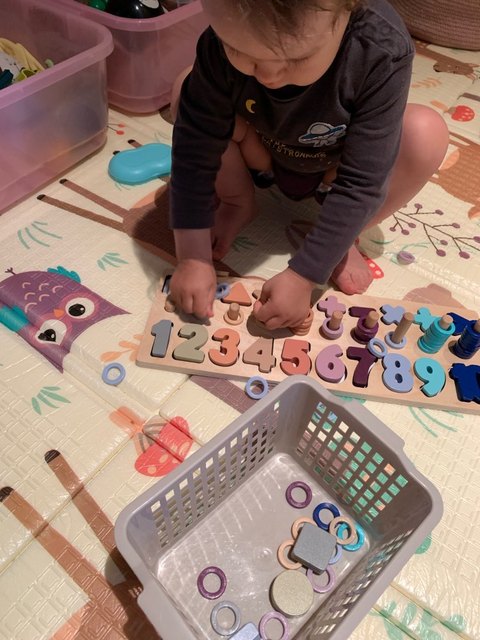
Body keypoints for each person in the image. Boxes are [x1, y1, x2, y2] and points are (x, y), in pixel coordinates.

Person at [167, 0, 449, 329]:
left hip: (337, 169)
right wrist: (192, 256)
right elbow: (195, 149)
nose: (268, 75)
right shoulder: (221, 37)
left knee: (426, 133)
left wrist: (304, 275)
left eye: (297, 58)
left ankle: (344, 237)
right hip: (261, 153)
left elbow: (363, 180)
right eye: (237, 49)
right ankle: (237, 201)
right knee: (185, 88)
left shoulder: (382, 48)